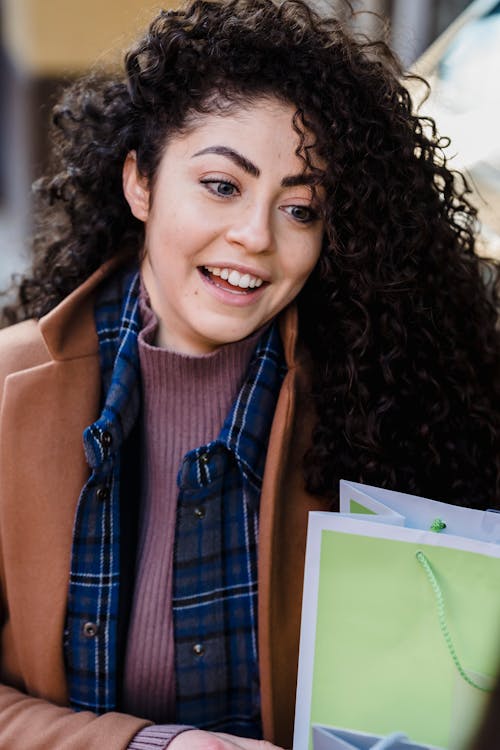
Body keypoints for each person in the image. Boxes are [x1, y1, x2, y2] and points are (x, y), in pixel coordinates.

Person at [0, 0, 498, 748]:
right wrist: (151, 746)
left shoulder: (397, 408)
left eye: (301, 209)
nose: (256, 237)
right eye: (222, 186)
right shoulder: (7, 400)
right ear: (140, 181)